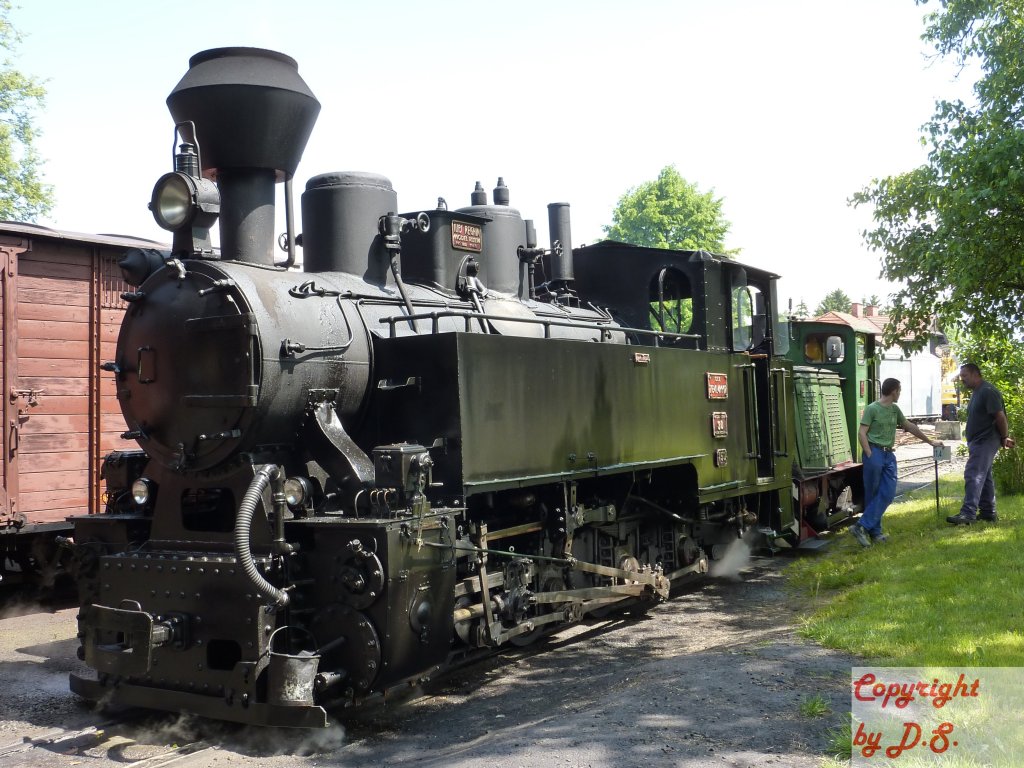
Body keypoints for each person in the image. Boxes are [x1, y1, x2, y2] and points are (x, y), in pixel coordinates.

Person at [850, 378, 942, 547]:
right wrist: (869, 453)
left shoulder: (895, 409)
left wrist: (930, 442)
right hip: (875, 452)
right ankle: (875, 533)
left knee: (888, 493)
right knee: (873, 493)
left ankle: (861, 526)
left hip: (888, 455)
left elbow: (910, 426)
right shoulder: (872, 409)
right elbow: (862, 432)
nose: (900, 393)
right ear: (893, 391)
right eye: (899, 390)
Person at [946, 364, 1015, 525]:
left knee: (973, 474)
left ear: (976, 374)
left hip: (986, 440)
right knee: (985, 476)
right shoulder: (978, 392)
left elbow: (1000, 417)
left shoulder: (987, 391)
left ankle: (968, 513)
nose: (962, 379)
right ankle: (988, 512)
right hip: (978, 441)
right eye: (961, 376)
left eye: (965, 376)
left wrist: (1004, 437)